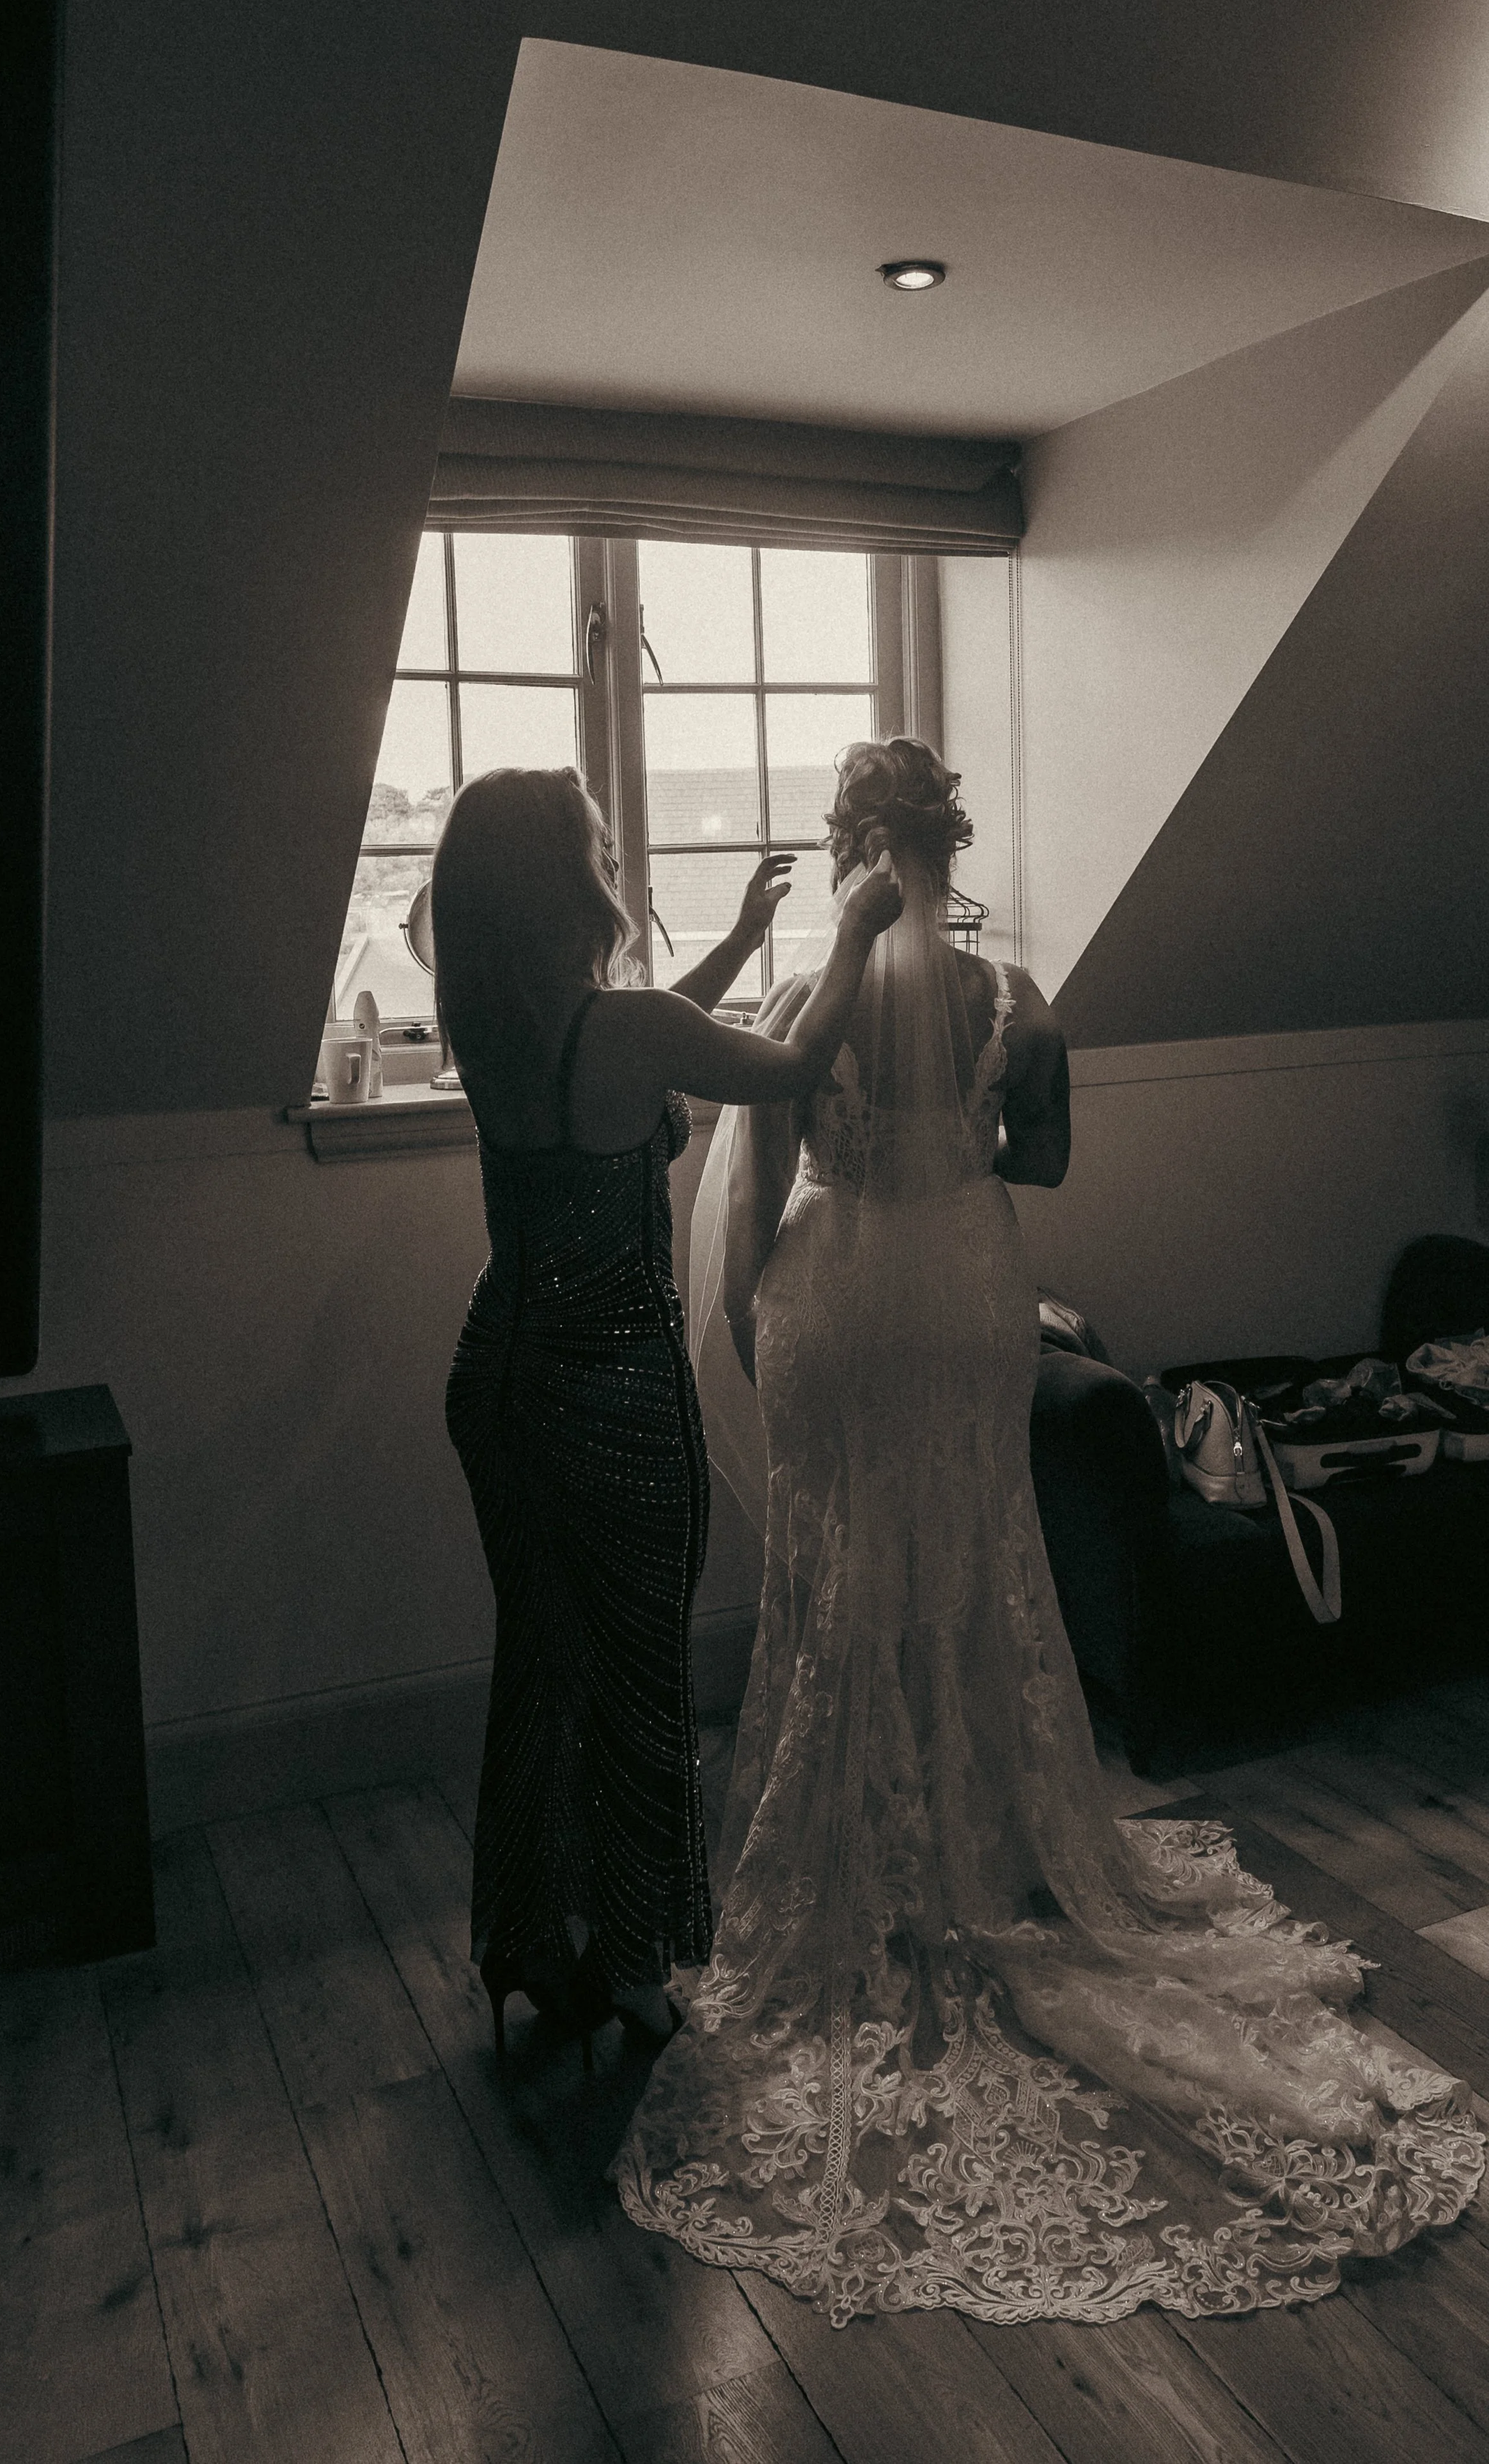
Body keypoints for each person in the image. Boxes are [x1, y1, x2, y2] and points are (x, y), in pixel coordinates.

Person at [614, 736, 1483, 2323]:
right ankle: (991, 1836)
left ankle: (853, 1855)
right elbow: (1048, 1164)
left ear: (848, 848)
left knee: (833, 1578)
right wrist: (961, 1145)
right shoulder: (1015, 1001)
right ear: (950, 848)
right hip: (964, 1293)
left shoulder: (810, 999)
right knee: (969, 1564)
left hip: (835, 1293)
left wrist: (749, 1321)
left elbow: (750, 1178)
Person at [433, 765, 901, 2059]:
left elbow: (625, 1041)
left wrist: (743, 942)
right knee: (641, 1676)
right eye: (593, 837)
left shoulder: (490, 1015)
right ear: (565, 875)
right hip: (610, 1386)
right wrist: (855, 931)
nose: (607, 850)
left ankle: (525, 1938)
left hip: (499, 1377)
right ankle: (635, 1963)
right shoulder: (620, 1028)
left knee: (538, 1659)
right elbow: (791, 1060)